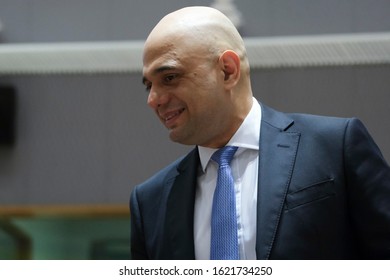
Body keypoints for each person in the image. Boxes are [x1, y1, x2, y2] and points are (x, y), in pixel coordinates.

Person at [130, 6, 390, 260]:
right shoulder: (150, 202)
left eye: (170, 77)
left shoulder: (334, 148)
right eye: (148, 86)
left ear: (227, 71)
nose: (153, 99)